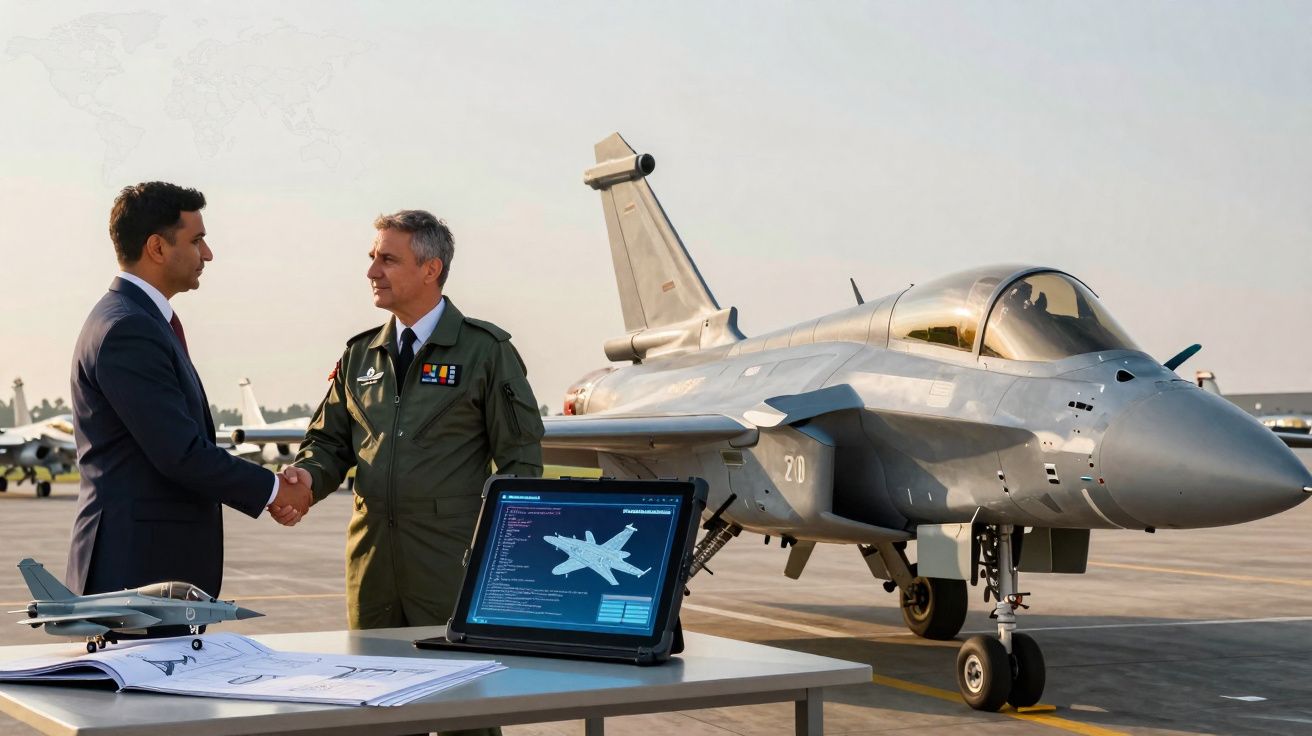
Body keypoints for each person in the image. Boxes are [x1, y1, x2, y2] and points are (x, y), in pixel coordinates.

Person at [282, 209, 544, 627]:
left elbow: (521, 463)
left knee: (457, 686)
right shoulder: (359, 354)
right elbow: (329, 443)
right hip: (371, 569)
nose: (372, 271)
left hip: (450, 568)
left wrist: (507, 559)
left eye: (388, 259)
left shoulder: (485, 351)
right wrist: (307, 479)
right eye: (372, 257)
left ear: (431, 269)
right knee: (372, 682)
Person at [66, 181, 311, 603]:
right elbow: (180, 453)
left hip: (144, 575)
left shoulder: (136, 319)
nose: (208, 254)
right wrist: (273, 490)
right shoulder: (130, 328)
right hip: (134, 579)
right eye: (197, 240)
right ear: (157, 248)